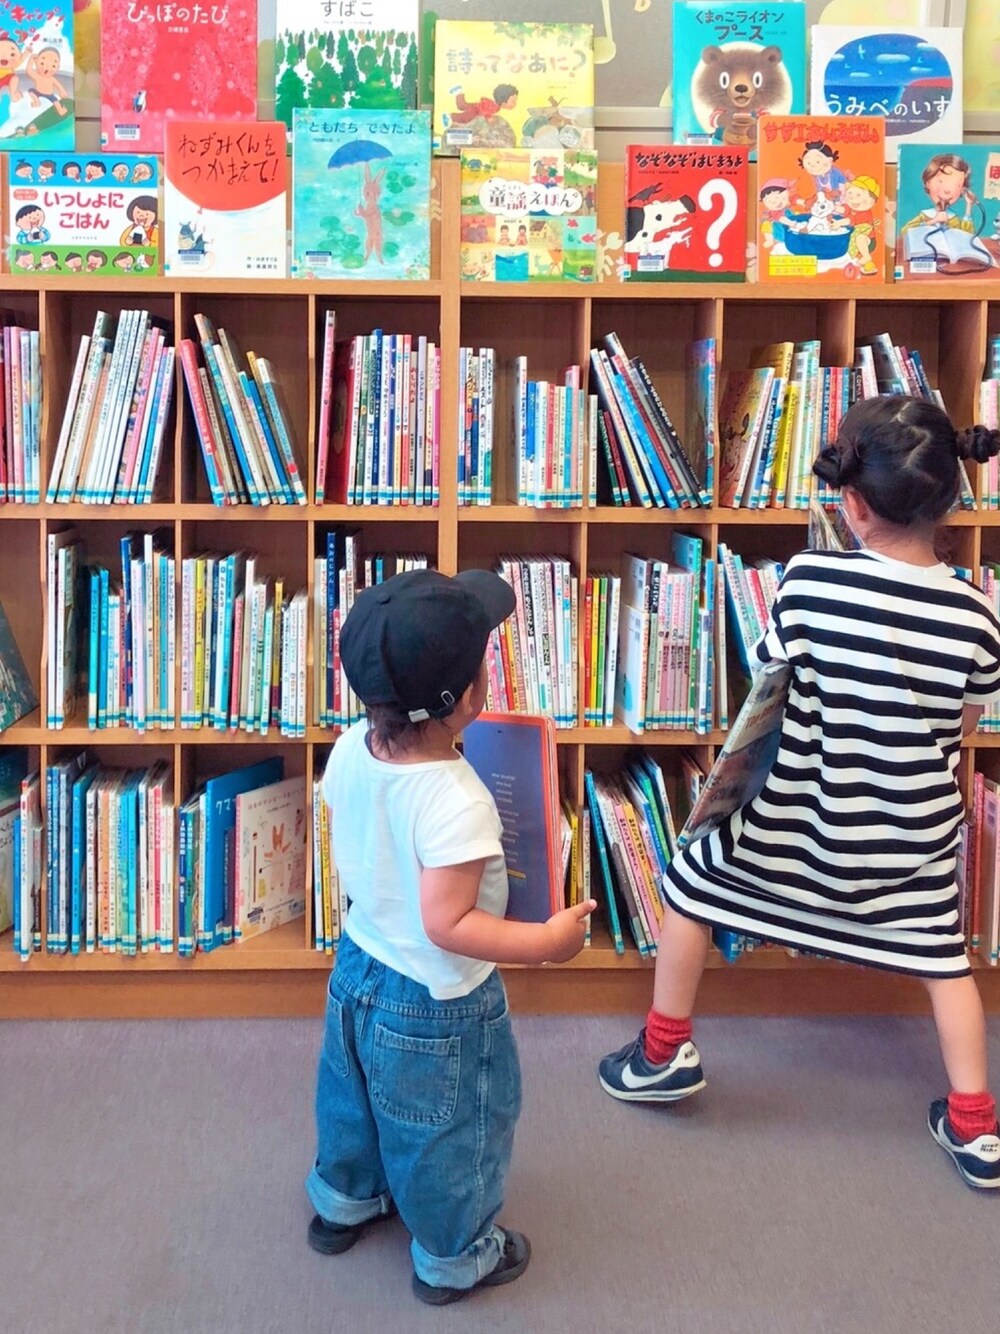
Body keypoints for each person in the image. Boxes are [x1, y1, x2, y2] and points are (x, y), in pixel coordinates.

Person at [599, 395, 1000, 1191]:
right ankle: (976, 1126)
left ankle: (663, 1051)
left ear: (852, 504)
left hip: (795, 830)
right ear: (951, 499)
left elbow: (770, 678)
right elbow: (962, 725)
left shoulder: (809, 581)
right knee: (945, 961)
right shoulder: (977, 615)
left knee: (691, 882)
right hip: (909, 847)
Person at [308, 568, 595, 1303]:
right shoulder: (458, 800)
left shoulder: (349, 746)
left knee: (350, 1100)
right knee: (452, 1131)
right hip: (436, 1002)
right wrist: (549, 944)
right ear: (467, 699)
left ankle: (345, 1201)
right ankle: (454, 1256)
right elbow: (449, 924)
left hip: (358, 965)